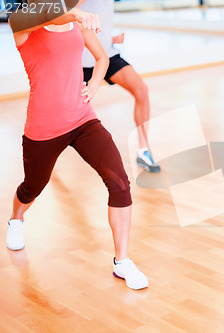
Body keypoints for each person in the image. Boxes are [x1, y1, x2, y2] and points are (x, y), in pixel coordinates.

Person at [6, 4, 148, 290]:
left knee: (119, 182)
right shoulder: (22, 23)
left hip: (83, 120)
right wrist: (75, 15)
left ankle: (122, 262)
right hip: (44, 128)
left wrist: (94, 83)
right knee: (33, 186)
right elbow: (33, 16)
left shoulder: (76, 23)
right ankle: (16, 219)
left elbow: (101, 57)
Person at [79, 0, 160, 173]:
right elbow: (65, 12)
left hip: (106, 55)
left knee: (141, 90)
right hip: (79, 59)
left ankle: (143, 151)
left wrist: (109, 38)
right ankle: (46, 154)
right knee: (63, 111)